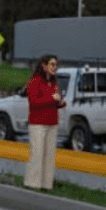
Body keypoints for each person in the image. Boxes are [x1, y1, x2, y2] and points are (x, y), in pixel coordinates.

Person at [24, 54, 65, 190]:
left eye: (56, 65)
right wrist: (52, 99)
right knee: (37, 153)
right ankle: (32, 183)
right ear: (43, 65)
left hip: (52, 122)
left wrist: (60, 102)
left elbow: (55, 101)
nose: (55, 68)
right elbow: (34, 102)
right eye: (52, 64)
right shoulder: (35, 81)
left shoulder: (54, 83)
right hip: (38, 123)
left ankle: (47, 184)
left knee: (49, 155)